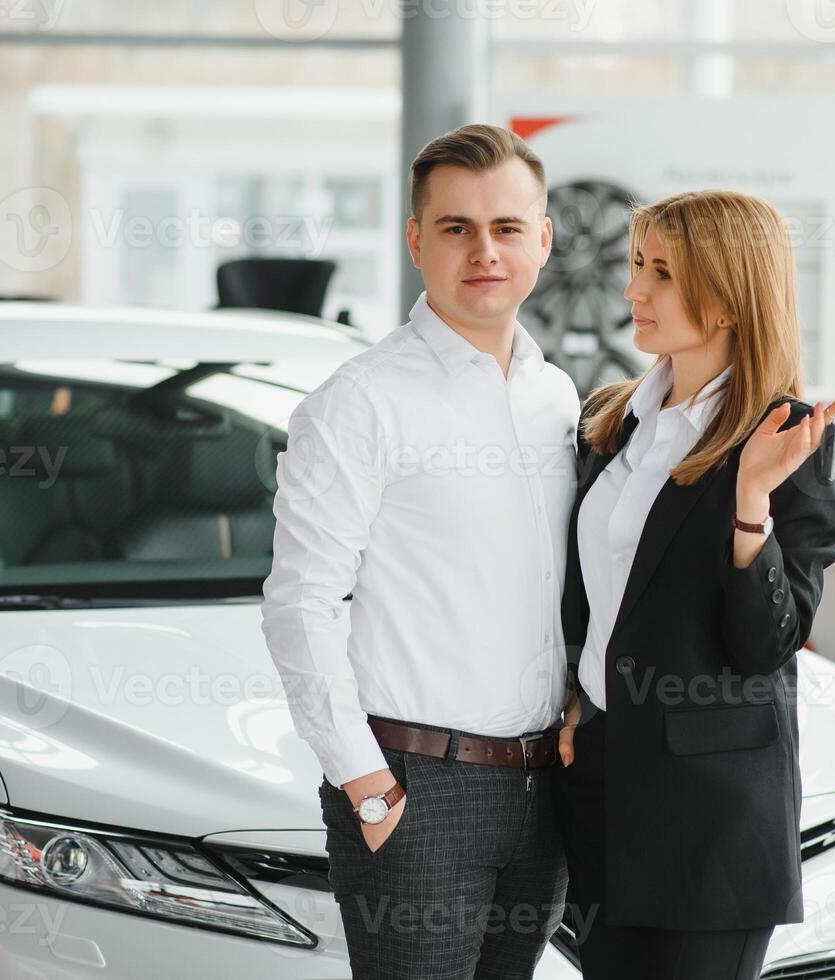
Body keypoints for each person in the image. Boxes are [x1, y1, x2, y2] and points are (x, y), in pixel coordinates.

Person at [261, 123, 580, 980]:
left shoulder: (556, 397)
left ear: (542, 241)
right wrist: (364, 782)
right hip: (415, 784)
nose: (485, 250)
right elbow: (300, 602)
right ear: (415, 241)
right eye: (455, 228)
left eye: (508, 227)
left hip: (543, 784)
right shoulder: (359, 403)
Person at [552, 189, 835, 980]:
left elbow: (766, 647)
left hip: (712, 820)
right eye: (635, 267)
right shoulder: (612, 421)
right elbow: (594, 586)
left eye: (660, 274)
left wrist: (751, 500)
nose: (632, 292)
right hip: (603, 786)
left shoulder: (790, 438)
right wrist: (579, 693)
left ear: (726, 298)